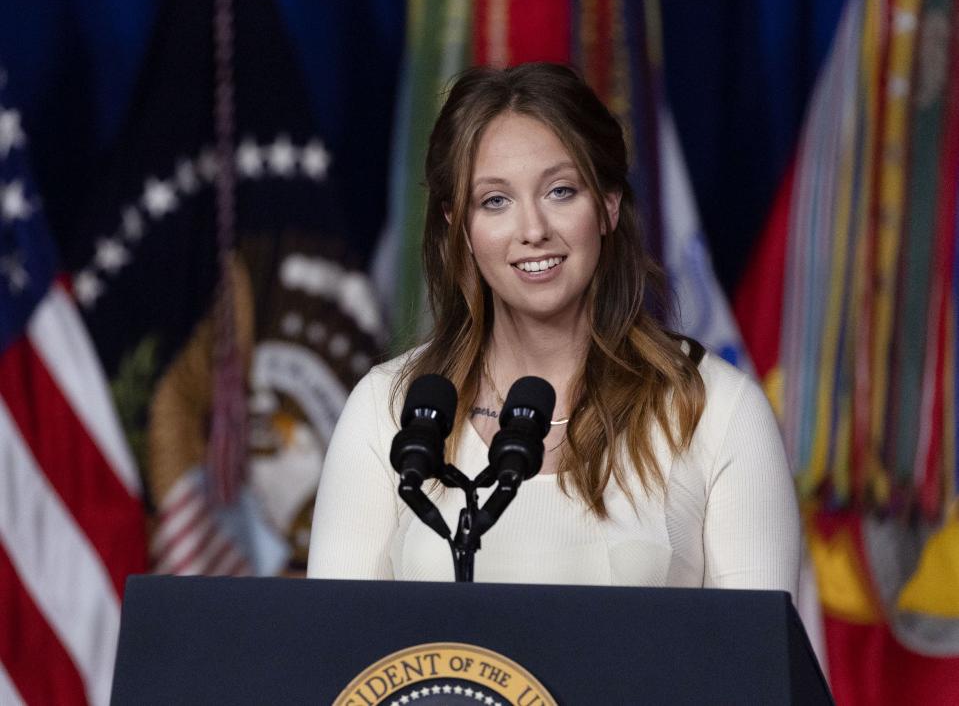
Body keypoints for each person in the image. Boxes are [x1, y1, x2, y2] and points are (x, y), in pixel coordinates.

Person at [307, 62, 800, 598]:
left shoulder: (716, 411)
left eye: (561, 191)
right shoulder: (387, 410)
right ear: (459, 226)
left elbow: (757, 672)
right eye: (495, 201)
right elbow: (341, 665)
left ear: (608, 205)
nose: (533, 230)